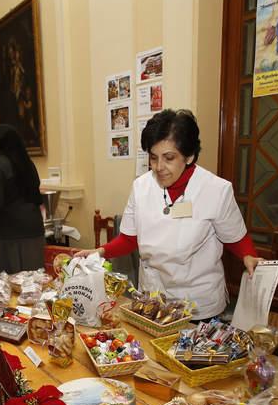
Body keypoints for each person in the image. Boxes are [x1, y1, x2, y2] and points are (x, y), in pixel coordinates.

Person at [77, 109, 262, 321]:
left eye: (169, 158)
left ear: (189, 155)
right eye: (153, 158)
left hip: (198, 303)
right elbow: (129, 239)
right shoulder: (141, 187)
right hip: (153, 299)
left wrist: (248, 255)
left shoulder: (216, 190)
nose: (159, 167)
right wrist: (98, 252)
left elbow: (236, 237)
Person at [0, 124, 45, 273]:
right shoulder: (28, 163)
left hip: (11, 233)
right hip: (34, 228)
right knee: (35, 282)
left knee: (12, 282)